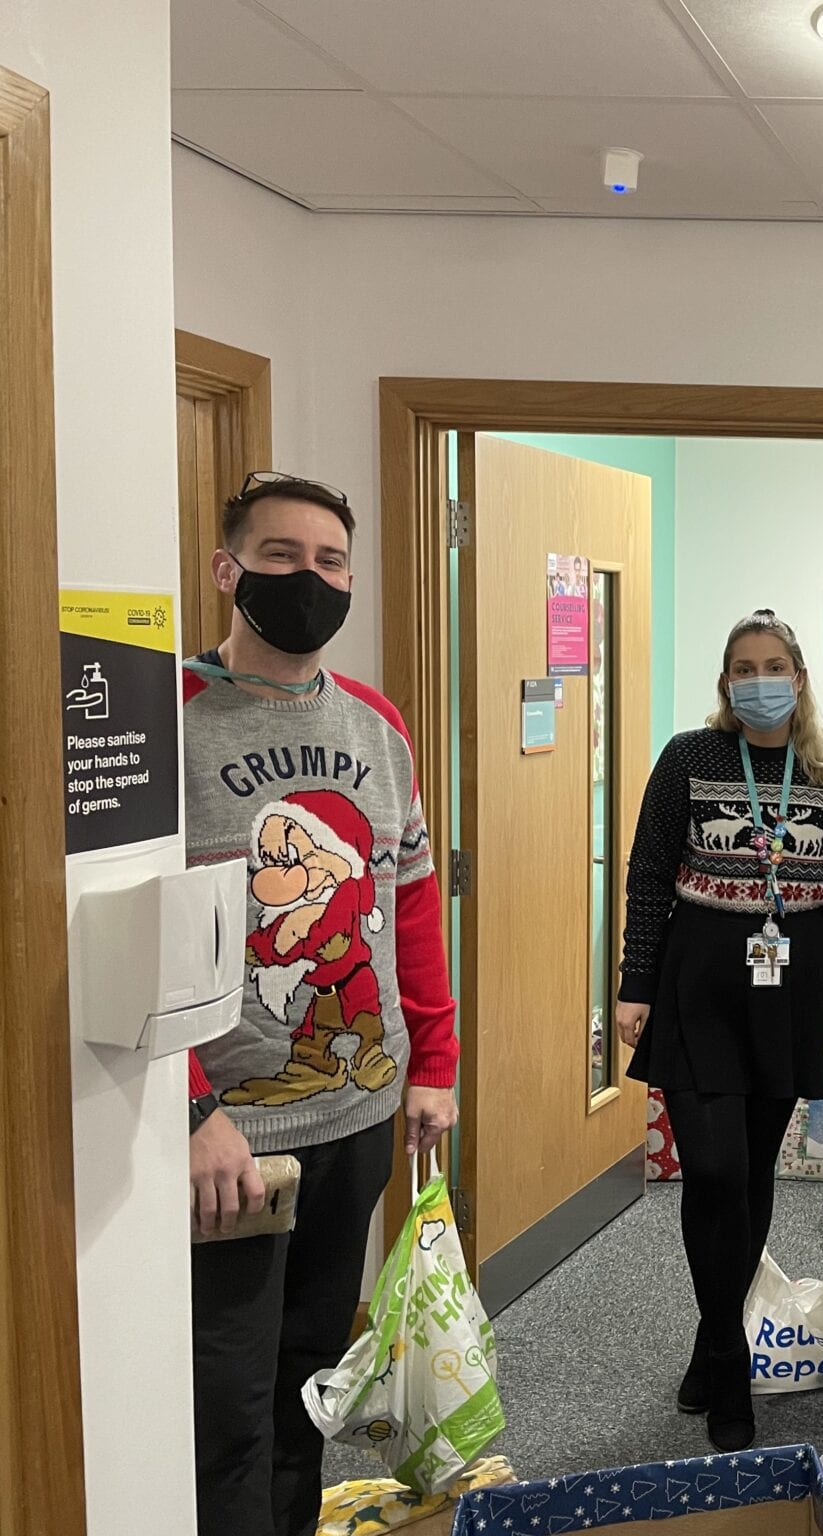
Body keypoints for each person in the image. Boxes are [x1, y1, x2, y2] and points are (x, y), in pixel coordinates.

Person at [184, 471, 458, 1536]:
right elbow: (122, 934)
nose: (311, 579)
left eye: (331, 561)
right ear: (230, 568)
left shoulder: (377, 722)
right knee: (225, 1403)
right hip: (232, 1138)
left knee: (308, 1380)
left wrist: (433, 1064)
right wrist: (192, 1107)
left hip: (357, 1114)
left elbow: (415, 905)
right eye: (283, 557)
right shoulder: (170, 717)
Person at [616, 609, 823, 1452]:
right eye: (743, 668)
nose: (760, 680)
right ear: (726, 684)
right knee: (714, 1169)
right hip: (697, 985)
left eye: (775, 665)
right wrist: (632, 984)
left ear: (799, 677)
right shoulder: (690, 756)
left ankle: (707, 1331)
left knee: (754, 1172)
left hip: (786, 994)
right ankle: (728, 1353)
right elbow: (647, 874)